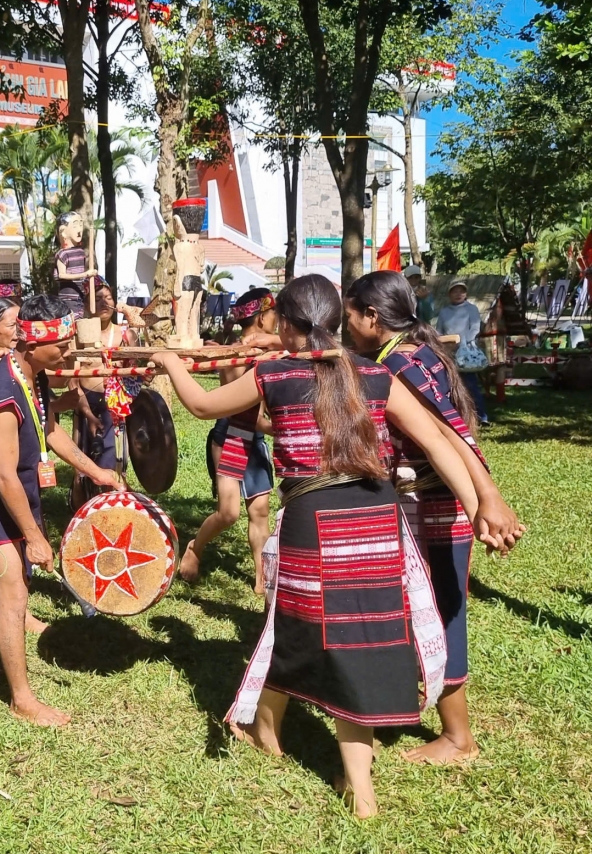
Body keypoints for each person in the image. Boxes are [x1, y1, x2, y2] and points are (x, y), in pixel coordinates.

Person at [151, 273, 520, 819]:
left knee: (300, 628)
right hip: (377, 518)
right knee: (359, 640)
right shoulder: (372, 374)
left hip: (314, 519)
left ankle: (279, 738)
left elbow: (204, 407)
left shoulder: (272, 374)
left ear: (289, 324)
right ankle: (342, 777)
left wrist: (171, 364)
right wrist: (479, 501)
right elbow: (440, 440)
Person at [344, 271, 523, 766]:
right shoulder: (407, 352)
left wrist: (487, 499)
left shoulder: (402, 363)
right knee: (416, 608)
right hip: (422, 504)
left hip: (434, 509)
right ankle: (397, 704)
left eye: (350, 315)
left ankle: (458, 738)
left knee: (442, 613)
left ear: (372, 317)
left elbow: (450, 434)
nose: (348, 324)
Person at [0, 295, 123, 726]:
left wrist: (95, 471)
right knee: (14, 592)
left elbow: (48, 429)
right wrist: (35, 536)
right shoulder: (3, 390)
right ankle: (22, 699)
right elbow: (4, 476)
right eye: (61, 342)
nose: (67, 349)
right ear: (31, 342)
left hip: (9, 493)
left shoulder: (32, 376)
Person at [179, 288, 280, 593]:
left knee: (260, 510)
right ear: (262, 318)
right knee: (229, 513)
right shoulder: (234, 355)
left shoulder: (273, 351)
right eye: (274, 315)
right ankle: (195, 546)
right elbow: (238, 404)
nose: (277, 321)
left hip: (256, 438)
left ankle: (261, 579)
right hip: (231, 437)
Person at [71, 280, 138, 507]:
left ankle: (113, 506)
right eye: (97, 298)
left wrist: (130, 315)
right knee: (81, 464)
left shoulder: (124, 334)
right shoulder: (78, 335)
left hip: (115, 406)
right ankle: (81, 509)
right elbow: (73, 381)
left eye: (108, 298)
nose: (103, 303)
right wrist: (87, 414)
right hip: (85, 403)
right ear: (88, 305)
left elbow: (137, 362)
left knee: (115, 459)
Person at [436, 278, 489, 425]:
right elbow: (439, 331)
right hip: (449, 352)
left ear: (466, 294)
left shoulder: (471, 309)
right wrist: (445, 344)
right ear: (449, 294)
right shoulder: (444, 312)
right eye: (455, 291)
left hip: (466, 353)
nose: (458, 294)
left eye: (461, 291)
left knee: (470, 384)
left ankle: (481, 415)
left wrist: (461, 343)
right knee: (449, 384)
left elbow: (475, 329)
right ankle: (454, 416)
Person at [54, 212, 98, 318]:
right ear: (63, 232)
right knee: (72, 322)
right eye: (74, 225)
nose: (79, 229)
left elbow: (82, 277)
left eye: (80, 225)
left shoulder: (80, 252)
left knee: (80, 321)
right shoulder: (62, 254)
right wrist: (85, 274)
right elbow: (62, 275)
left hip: (79, 295)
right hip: (68, 297)